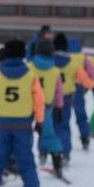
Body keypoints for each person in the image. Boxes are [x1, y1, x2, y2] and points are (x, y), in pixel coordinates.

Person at [0, 40, 45, 187]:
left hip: (2, 125)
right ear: (23, 55)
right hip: (23, 125)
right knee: (26, 161)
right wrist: (39, 121)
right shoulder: (30, 75)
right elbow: (39, 99)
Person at [53, 33, 93, 164]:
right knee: (69, 122)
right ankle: (73, 146)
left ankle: (51, 151)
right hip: (70, 94)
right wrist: (90, 85)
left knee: (53, 125)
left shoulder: (50, 62)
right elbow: (88, 77)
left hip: (52, 98)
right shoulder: (76, 61)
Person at [28, 39, 66, 175]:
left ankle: (15, 162)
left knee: (23, 135)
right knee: (49, 134)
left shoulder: (29, 67)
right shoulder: (55, 71)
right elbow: (59, 91)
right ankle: (57, 161)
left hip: (27, 106)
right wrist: (60, 107)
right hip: (46, 108)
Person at [67, 38, 94, 150]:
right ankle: (85, 137)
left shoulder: (66, 57)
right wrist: (88, 85)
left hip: (66, 89)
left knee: (64, 116)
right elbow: (91, 72)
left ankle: (64, 140)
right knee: (81, 114)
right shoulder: (83, 58)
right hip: (79, 88)